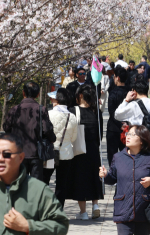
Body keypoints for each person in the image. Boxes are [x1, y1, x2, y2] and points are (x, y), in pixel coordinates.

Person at [0, 133, 69, 235]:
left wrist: (28, 226)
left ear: (21, 157)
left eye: (7, 154)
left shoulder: (39, 190)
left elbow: (61, 226)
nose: (0, 159)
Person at [99, 125, 150, 235]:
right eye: (127, 134)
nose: (128, 137)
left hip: (144, 210)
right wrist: (105, 176)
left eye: (133, 135)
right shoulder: (118, 157)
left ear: (142, 140)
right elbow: (112, 179)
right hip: (123, 209)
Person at [3, 81, 56, 181]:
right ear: (38, 94)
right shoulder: (41, 109)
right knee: (35, 186)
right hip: (36, 153)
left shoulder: (14, 110)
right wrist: (53, 139)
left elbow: (6, 128)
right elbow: (47, 129)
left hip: (17, 153)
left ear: (23, 93)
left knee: (18, 184)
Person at [68, 84, 104, 220]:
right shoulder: (97, 112)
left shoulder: (73, 111)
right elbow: (100, 135)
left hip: (79, 150)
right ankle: (95, 205)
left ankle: (83, 212)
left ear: (80, 96)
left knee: (80, 179)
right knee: (95, 176)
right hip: (94, 149)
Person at [44, 88, 78, 207]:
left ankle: (45, 207)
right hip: (66, 153)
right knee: (62, 184)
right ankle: (59, 210)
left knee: (45, 181)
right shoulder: (72, 117)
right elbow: (74, 138)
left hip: (49, 153)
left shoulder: (48, 114)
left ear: (57, 100)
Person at [107, 66, 129, 166]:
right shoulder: (131, 93)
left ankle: (113, 176)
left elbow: (112, 112)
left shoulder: (113, 93)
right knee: (128, 155)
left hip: (113, 128)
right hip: (128, 129)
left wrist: (119, 124)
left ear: (118, 78)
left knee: (112, 155)